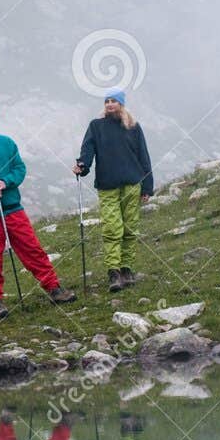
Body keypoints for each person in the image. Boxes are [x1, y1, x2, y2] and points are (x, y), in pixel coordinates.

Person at [0, 101, 76, 317]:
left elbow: (19, 169)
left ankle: (53, 288)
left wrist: (5, 182)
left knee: (32, 248)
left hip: (12, 207)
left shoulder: (7, 143)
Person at [72, 89, 154, 293]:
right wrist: (82, 166)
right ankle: (114, 272)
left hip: (132, 183)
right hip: (107, 184)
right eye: (107, 101)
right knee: (112, 228)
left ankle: (127, 269)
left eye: (114, 101)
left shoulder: (133, 127)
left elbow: (143, 156)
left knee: (130, 227)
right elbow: (87, 150)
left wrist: (147, 186)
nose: (109, 104)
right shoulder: (96, 126)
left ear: (121, 104)